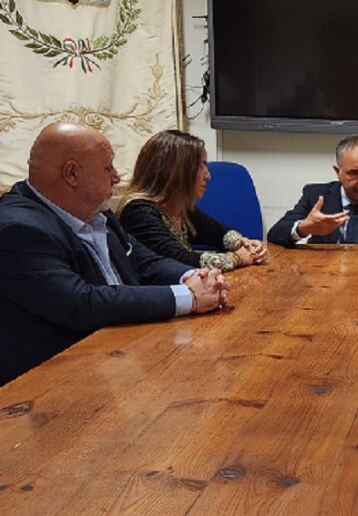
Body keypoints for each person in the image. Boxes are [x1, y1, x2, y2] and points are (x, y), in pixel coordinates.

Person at [0, 123, 228, 385]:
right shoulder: (17, 228)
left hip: (122, 357)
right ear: (71, 174)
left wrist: (194, 276)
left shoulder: (96, 211)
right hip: (52, 384)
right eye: (108, 167)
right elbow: (82, 302)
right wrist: (188, 297)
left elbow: (145, 261)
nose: (117, 177)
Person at [118, 130, 268, 272]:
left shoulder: (179, 206)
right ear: (176, 171)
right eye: (200, 166)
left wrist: (243, 244)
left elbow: (217, 233)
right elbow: (177, 259)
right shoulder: (138, 212)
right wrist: (236, 258)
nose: (208, 175)